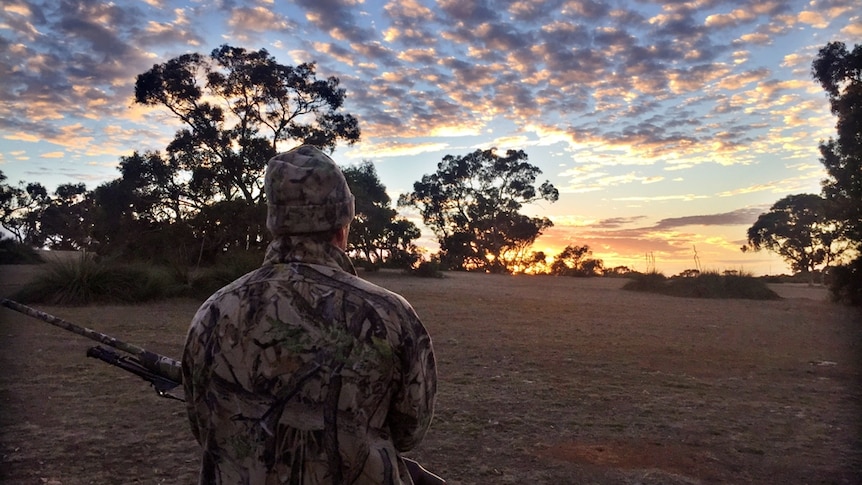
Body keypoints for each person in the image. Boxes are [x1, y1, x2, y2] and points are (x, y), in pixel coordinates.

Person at [182, 145, 441, 484]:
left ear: (276, 226)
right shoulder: (389, 315)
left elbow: (205, 428)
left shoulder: (213, 312)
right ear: (341, 227)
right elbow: (410, 432)